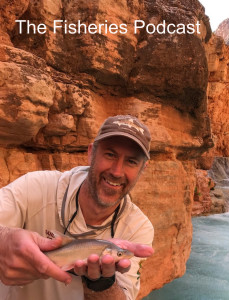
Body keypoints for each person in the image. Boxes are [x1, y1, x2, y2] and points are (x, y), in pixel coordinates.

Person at [0, 115, 154, 300]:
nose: (116, 171)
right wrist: (4, 239)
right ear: (91, 153)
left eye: (131, 161)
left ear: (142, 169)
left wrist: (101, 284)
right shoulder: (35, 187)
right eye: (110, 154)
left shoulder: (139, 228)